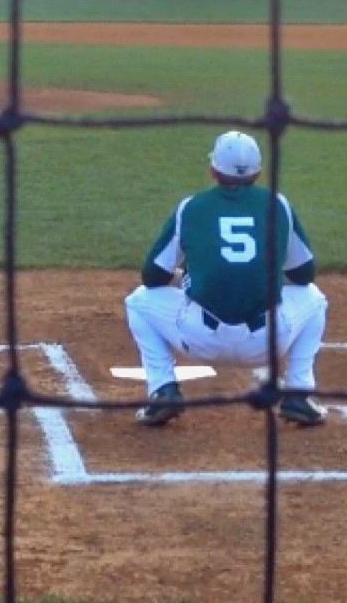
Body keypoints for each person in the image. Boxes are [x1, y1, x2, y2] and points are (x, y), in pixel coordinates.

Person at [123, 130, 329, 428]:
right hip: (268, 343)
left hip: (200, 340)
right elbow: (303, 274)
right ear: (258, 172)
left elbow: (153, 276)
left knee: (138, 301)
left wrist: (190, 277)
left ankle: (163, 390)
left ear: (213, 169)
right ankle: (298, 394)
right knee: (315, 298)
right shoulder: (278, 205)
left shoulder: (191, 207)